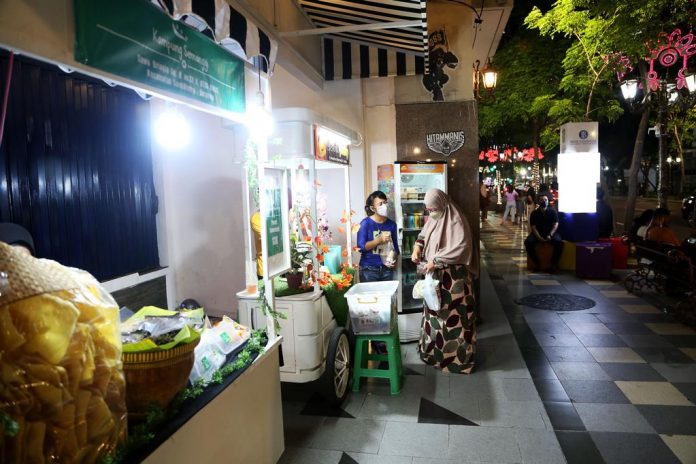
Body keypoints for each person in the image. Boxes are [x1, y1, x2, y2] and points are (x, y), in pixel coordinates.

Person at [411, 189, 478, 374]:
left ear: (443, 204)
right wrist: (417, 248)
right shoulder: (435, 218)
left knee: (455, 319)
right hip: (436, 279)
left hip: (455, 280)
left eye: (434, 209)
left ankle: (457, 361)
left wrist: (435, 261)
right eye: (429, 209)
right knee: (435, 316)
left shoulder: (457, 221)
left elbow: (461, 248)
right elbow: (423, 235)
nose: (431, 213)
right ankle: (433, 355)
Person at [357, 191, 400, 283]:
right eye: (380, 204)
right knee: (370, 293)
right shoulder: (365, 223)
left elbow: (395, 248)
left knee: (387, 293)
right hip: (368, 270)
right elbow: (361, 247)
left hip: (387, 270)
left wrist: (393, 259)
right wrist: (379, 240)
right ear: (373, 208)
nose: (384, 206)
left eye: (385, 202)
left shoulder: (392, 225)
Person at [524, 194, 563, 272]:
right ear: (538, 202)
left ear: (548, 201)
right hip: (538, 233)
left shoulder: (552, 211)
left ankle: (553, 264)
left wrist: (550, 235)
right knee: (528, 242)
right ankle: (537, 263)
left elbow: (555, 224)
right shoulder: (534, 213)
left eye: (545, 200)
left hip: (550, 233)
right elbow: (533, 227)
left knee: (559, 242)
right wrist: (539, 237)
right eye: (541, 200)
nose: (544, 201)